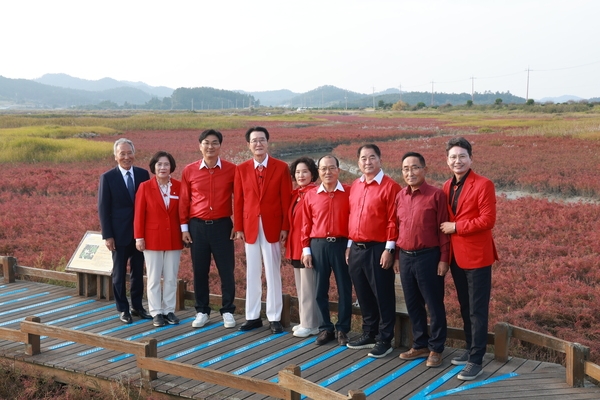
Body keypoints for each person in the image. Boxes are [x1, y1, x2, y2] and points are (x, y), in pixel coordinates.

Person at [440, 137, 498, 381]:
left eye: (462, 156)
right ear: (447, 160)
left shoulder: (484, 184)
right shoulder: (446, 185)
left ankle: (476, 359)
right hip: (456, 257)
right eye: (453, 157)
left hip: (477, 256)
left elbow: (488, 220)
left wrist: (456, 227)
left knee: (477, 309)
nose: (457, 161)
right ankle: (469, 348)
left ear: (470, 158)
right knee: (465, 306)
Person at [234, 126, 292, 334]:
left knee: (273, 271)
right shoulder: (241, 169)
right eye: (254, 140)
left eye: (261, 140)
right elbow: (238, 201)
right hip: (249, 226)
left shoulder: (281, 167)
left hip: (273, 226)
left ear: (268, 142)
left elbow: (286, 200)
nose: (258, 144)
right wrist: (238, 226)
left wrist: (286, 226)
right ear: (248, 145)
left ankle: (274, 317)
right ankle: (252, 316)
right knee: (252, 272)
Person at [395, 152, 450, 367]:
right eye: (406, 169)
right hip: (406, 258)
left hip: (429, 257)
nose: (410, 172)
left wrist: (444, 259)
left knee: (434, 304)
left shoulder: (436, 195)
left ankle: (436, 348)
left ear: (424, 170)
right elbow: (397, 227)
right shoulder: (400, 196)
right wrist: (397, 256)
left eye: (415, 167)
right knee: (413, 304)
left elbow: (444, 230)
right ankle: (419, 345)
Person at [346, 144, 400, 358]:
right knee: (363, 294)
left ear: (380, 159)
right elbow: (352, 217)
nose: (367, 162)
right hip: (357, 248)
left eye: (372, 157)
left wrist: (389, 249)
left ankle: (385, 339)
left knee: (383, 295)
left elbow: (393, 221)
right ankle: (369, 332)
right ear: (358, 161)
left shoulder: (390, 186)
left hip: (379, 248)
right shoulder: (356, 185)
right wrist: (349, 245)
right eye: (363, 158)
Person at [180, 129, 237, 329]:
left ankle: (228, 310)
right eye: (206, 142)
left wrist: (237, 223)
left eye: (214, 143)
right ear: (200, 146)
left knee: (227, 271)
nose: (210, 146)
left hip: (223, 226)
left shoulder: (231, 169)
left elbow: (239, 198)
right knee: (200, 271)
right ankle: (202, 310)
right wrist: (184, 228)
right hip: (197, 227)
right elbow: (184, 201)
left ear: (220, 146)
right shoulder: (190, 170)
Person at [301, 155, 353, 346]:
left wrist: (349, 247)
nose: (327, 172)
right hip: (318, 245)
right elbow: (305, 224)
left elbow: (354, 222)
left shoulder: (349, 191)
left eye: (331, 168)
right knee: (319, 289)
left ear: (338, 170)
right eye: (323, 169)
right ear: (318, 171)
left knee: (344, 289)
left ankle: (342, 329)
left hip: (342, 245)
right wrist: (306, 249)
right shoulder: (311, 195)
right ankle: (325, 328)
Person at [98, 138, 151, 324]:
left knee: (138, 272)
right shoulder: (107, 177)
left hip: (139, 235)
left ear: (134, 154)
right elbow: (103, 208)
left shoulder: (143, 174)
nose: (126, 157)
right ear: (116, 156)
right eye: (122, 154)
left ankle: (138, 306)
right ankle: (123, 309)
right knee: (119, 273)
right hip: (118, 235)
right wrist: (108, 235)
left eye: (129, 153)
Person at [134, 151, 183, 327]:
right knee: (154, 278)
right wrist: (139, 237)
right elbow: (139, 214)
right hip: (152, 238)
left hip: (174, 238)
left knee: (171, 277)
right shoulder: (145, 187)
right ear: (154, 167)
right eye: (159, 164)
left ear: (172, 167)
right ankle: (156, 312)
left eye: (166, 164)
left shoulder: (179, 186)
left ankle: (169, 310)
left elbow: (182, 212)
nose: (163, 167)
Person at [285, 157, 320, 338]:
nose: (301, 175)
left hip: (307, 247)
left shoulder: (313, 193)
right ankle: (305, 320)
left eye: (305, 171)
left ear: (313, 174)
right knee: (301, 286)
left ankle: (311, 324)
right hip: (296, 245)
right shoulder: (297, 194)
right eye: (297, 172)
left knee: (309, 286)